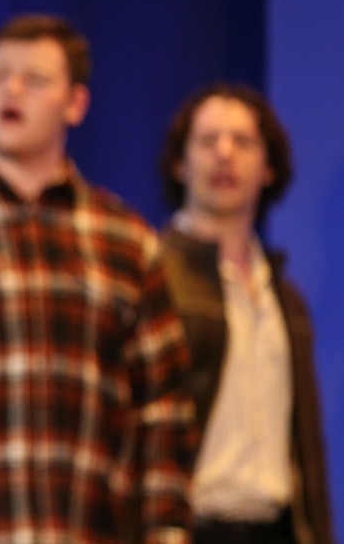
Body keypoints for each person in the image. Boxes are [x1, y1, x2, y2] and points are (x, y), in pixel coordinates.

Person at [0, 12, 197, 543]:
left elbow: (163, 410)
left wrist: (166, 531)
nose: (11, 90)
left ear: (76, 103)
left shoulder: (125, 238)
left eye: (35, 79)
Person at [157, 81, 335, 544]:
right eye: (207, 140)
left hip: (276, 528)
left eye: (242, 141)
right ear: (180, 163)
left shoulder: (285, 298)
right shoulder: (153, 277)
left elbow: (307, 446)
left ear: (268, 167)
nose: (224, 154)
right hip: (190, 527)